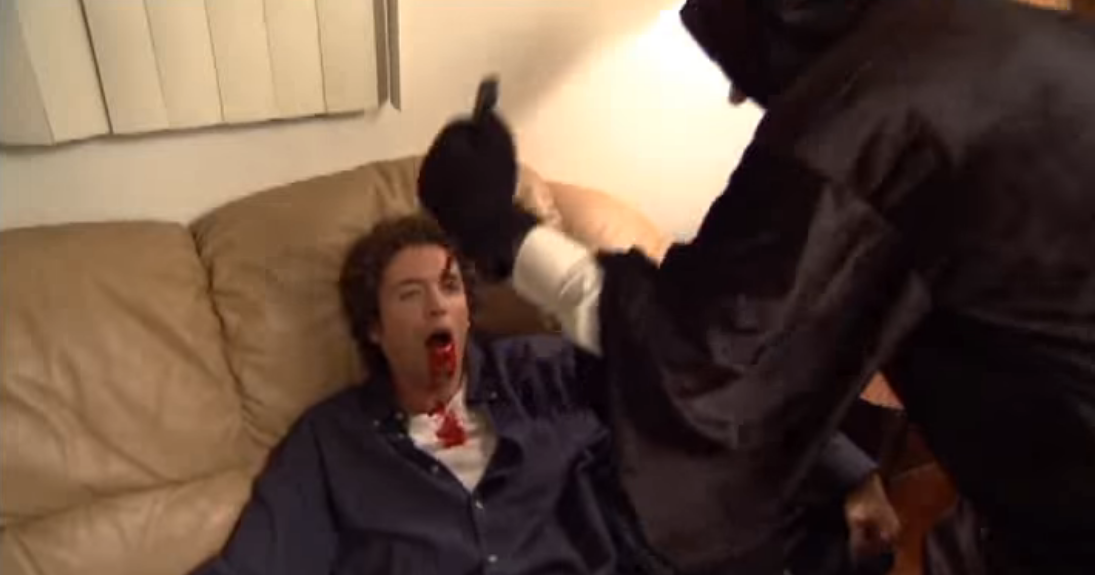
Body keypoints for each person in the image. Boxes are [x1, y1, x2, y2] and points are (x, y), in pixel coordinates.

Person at [416, 0, 1095, 573]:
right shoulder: (1006, 37)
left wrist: (501, 231)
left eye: (734, 63)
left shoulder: (872, 106)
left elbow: (697, 368)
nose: (739, 94)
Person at [190, 214, 897, 575]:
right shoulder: (331, 442)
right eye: (410, 294)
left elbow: (701, 392)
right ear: (373, 328)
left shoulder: (543, 371)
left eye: (450, 287)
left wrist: (851, 474)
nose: (437, 306)